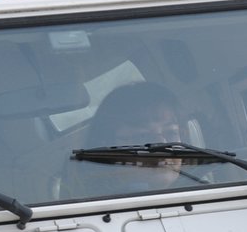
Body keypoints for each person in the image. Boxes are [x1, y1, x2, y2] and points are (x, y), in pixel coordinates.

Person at [61, 82, 189, 197]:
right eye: (143, 137)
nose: (163, 147)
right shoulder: (90, 209)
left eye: (171, 133)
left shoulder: (205, 193)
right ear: (107, 148)